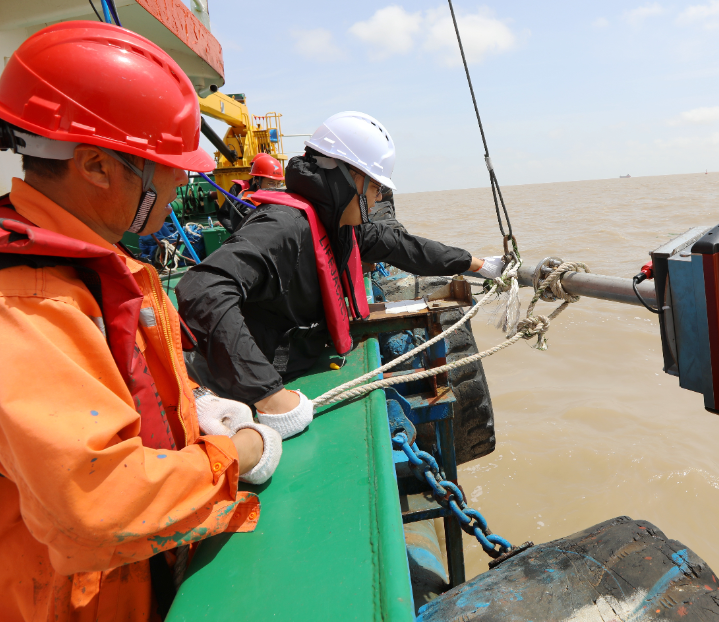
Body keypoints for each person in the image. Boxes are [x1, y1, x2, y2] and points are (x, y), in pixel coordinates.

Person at [0, 21, 282, 622]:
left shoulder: (83, 259)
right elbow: (95, 502)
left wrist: (198, 404)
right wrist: (237, 453)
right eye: (166, 165)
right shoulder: (18, 305)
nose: (183, 180)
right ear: (98, 166)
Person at [176, 111, 504, 438]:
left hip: (290, 364)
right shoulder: (283, 226)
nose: (378, 197)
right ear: (349, 180)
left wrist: (477, 264)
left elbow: (400, 245)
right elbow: (203, 288)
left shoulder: (337, 226)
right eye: (375, 186)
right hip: (231, 395)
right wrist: (269, 394)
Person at [216, 152, 285, 233]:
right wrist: (236, 232)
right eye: (271, 183)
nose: (275, 187)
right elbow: (224, 214)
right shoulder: (239, 190)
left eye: (278, 183)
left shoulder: (276, 194)